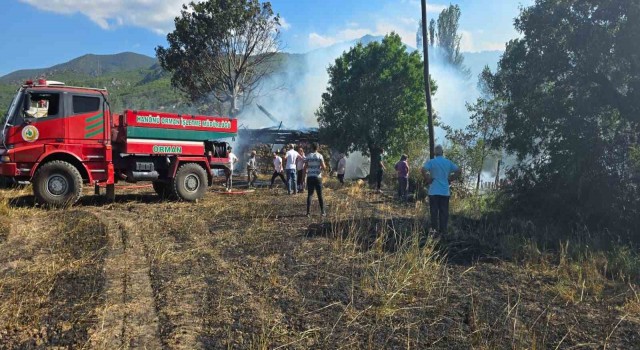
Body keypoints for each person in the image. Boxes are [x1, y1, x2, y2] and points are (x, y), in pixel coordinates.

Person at [421, 145, 461, 234]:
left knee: (434, 213)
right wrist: (451, 178)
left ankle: (434, 231)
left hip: (434, 191)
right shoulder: (448, 162)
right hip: (444, 192)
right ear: (442, 152)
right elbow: (458, 171)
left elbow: (423, 169)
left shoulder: (432, 162)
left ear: (435, 153)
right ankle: (443, 231)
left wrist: (428, 178)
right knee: (444, 213)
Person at [304, 142, 327, 217]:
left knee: (310, 194)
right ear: (317, 148)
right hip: (317, 177)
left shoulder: (308, 156)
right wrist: (321, 167)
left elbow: (305, 167)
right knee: (320, 195)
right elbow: (324, 167)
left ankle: (308, 212)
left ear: (311, 147)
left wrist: (303, 177)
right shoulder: (320, 156)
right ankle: (323, 212)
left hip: (310, 177)